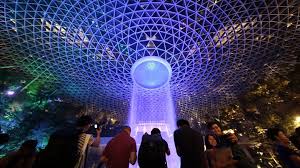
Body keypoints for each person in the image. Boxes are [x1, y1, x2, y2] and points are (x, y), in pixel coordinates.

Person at [33, 115, 101, 168]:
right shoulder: (85, 136)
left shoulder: (62, 131)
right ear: (87, 125)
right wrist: (98, 133)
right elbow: (96, 144)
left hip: (49, 163)